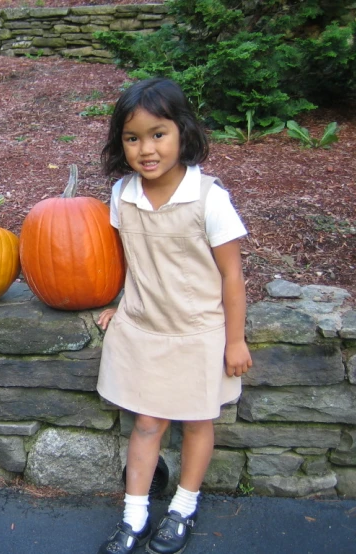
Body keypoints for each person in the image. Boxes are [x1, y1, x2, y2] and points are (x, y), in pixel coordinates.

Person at [96, 78, 253, 554]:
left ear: (183, 132)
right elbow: (131, 262)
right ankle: (134, 515)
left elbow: (232, 276)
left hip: (198, 333)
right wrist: (117, 302)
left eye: (158, 134)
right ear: (120, 143)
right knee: (147, 423)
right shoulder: (123, 195)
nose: (146, 148)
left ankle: (184, 505)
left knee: (198, 423)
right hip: (145, 329)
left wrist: (236, 339)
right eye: (132, 137)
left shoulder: (208, 198)